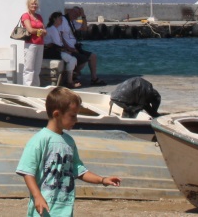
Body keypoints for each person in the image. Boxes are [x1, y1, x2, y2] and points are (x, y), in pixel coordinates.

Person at [16, 87, 121, 217]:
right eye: (72, 116)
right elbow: (28, 172)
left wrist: (102, 180)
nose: (76, 120)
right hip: (44, 210)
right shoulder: (39, 140)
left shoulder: (69, 141)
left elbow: (78, 169)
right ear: (56, 114)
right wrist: (37, 196)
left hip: (65, 210)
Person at [62, 9, 102, 85]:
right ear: (70, 11)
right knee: (83, 59)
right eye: (74, 12)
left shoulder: (72, 22)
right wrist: (68, 48)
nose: (76, 15)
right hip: (68, 48)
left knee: (93, 56)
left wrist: (83, 16)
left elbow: (84, 28)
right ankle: (74, 75)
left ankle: (94, 78)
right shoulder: (63, 20)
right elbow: (60, 35)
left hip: (75, 48)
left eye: (78, 14)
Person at [43, 12, 79, 88]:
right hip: (51, 51)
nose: (61, 20)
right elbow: (57, 44)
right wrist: (66, 50)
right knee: (72, 60)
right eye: (59, 18)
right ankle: (69, 82)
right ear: (54, 19)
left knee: (72, 58)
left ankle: (69, 80)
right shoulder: (52, 29)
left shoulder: (53, 28)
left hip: (54, 50)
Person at [19, 0, 47, 87]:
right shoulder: (25, 16)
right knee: (29, 68)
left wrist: (40, 31)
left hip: (40, 44)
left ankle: (35, 88)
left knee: (37, 69)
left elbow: (44, 30)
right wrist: (40, 31)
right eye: (32, 3)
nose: (34, 5)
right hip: (31, 44)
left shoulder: (39, 17)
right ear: (28, 5)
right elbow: (30, 30)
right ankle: (28, 88)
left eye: (35, 3)